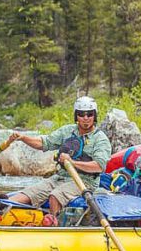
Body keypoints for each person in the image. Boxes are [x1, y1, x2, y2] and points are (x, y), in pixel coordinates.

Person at [6, 96, 111, 225]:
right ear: (76, 116)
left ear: (94, 116)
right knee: (24, 196)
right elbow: (43, 143)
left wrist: (72, 162)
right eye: (81, 114)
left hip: (85, 182)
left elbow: (99, 166)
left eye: (89, 114)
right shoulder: (67, 131)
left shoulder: (100, 139)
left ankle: (53, 224)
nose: (85, 118)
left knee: (55, 196)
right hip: (60, 178)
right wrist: (23, 137)